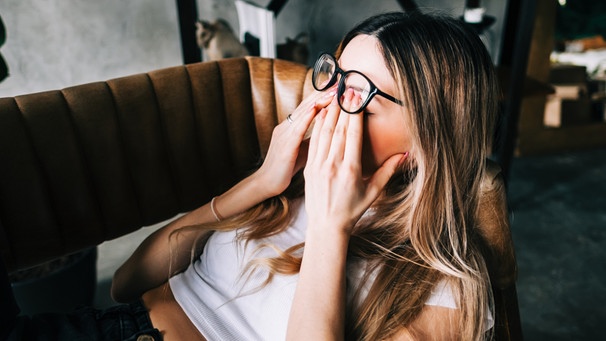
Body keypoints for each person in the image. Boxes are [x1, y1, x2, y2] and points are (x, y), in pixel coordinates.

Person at [3, 11, 498, 341]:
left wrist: (331, 228)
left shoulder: (441, 289)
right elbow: (128, 283)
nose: (327, 105)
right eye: (336, 78)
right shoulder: (289, 190)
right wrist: (262, 182)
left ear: (427, 142)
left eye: (362, 94)